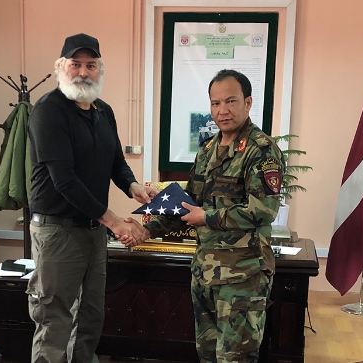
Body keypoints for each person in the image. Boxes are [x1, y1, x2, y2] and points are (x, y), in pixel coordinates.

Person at [137, 69, 285, 363]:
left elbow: (264, 210)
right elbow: (189, 205)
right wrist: (146, 228)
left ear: (248, 102)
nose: (223, 110)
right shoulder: (207, 150)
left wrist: (208, 217)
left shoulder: (261, 151)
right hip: (205, 272)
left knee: (236, 358)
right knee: (207, 355)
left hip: (243, 276)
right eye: (216, 103)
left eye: (231, 101)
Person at [26, 33, 156, 363]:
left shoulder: (104, 112)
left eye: (91, 65)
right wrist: (114, 222)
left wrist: (134, 187)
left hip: (93, 231)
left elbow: (116, 162)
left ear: (100, 70)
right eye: (76, 64)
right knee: (54, 321)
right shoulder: (48, 111)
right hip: (57, 233)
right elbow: (65, 181)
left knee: (90, 317)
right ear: (60, 67)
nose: (83, 72)